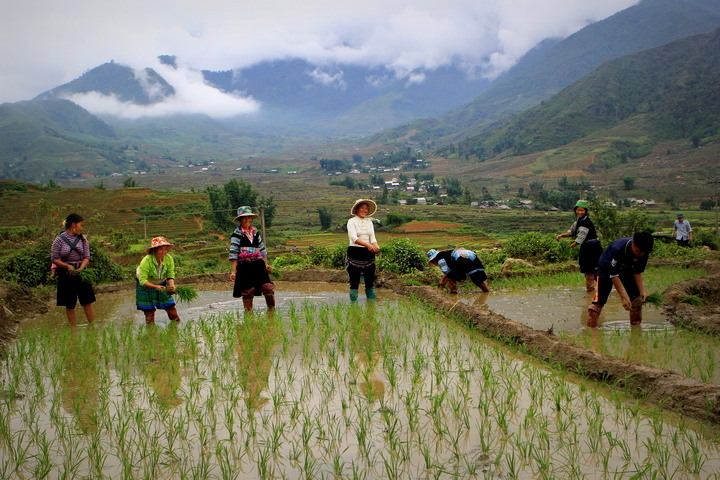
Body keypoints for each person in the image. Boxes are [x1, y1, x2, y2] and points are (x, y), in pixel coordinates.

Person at [587, 231, 654, 328]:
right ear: (633, 244)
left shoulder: (643, 252)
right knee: (599, 300)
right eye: (639, 251)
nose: (641, 254)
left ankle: (636, 328)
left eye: (644, 253)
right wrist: (622, 297)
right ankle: (590, 329)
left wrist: (642, 291)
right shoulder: (617, 248)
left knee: (636, 297)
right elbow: (613, 274)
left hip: (626, 269)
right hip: (606, 269)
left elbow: (637, 271)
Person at [51, 213, 96, 326]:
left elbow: (87, 257)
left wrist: (81, 267)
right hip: (66, 273)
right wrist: (67, 266)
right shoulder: (59, 240)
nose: (82, 227)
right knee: (69, 303)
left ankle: (93, 326)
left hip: (82, 272)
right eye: (81, 225)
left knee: (87, 301)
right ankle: (73, 329)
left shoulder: (83, 239)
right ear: (73, 225)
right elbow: (54, 258)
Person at [229, 206, 275, 311]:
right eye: (244, 218)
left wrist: (265, 264)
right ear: (240, 220)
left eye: (248, 217)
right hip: (244, 265)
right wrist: (233, 271)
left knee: (268, 288)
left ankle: (272, 312)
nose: (247, 220)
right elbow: (233, 253)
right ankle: (248, 316)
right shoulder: (236, 235)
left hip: (258, 264)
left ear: (251, 219)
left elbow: (262, 250)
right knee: (247, 291)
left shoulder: (255, 232)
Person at [555, 200, 603, 292]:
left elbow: (579, 240)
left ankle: (593, 292)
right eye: (578, 210)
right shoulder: (578, 222)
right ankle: (596, 291)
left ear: (585, 212)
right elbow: (571, 232)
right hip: (586, 248)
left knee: (591, 272)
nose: (580, 212)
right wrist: (561, 235)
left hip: (592, 248)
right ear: (575, 211)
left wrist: (568, 247)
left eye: (582, 210)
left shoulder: (586, 223)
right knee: (590, 272)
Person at [136, 236, 180, 324]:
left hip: (161, 282)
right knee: (149, 312)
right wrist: (156, 287)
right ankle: (151, 332)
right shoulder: (146, 260)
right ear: (155, 250)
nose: (164, 252)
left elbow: (170, 274)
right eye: (161, 249)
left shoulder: (169, 259)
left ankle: (176, 327)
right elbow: (143, 280)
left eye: (165, 249)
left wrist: (172, 286)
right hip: (145, 284)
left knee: (171, 308)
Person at [346, 199, 380, 302]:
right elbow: (354, 238)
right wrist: (368, 245)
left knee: (370, 279)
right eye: (362, 208)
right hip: (355, 252)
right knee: (354, 280)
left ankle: (371, 303)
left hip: (368, 254)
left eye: (366, 208)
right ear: (357, 209)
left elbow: (372, 237)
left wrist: (376, 246)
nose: (364, 210)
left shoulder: (369, 222)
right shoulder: (351, 221)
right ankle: (353, 303)